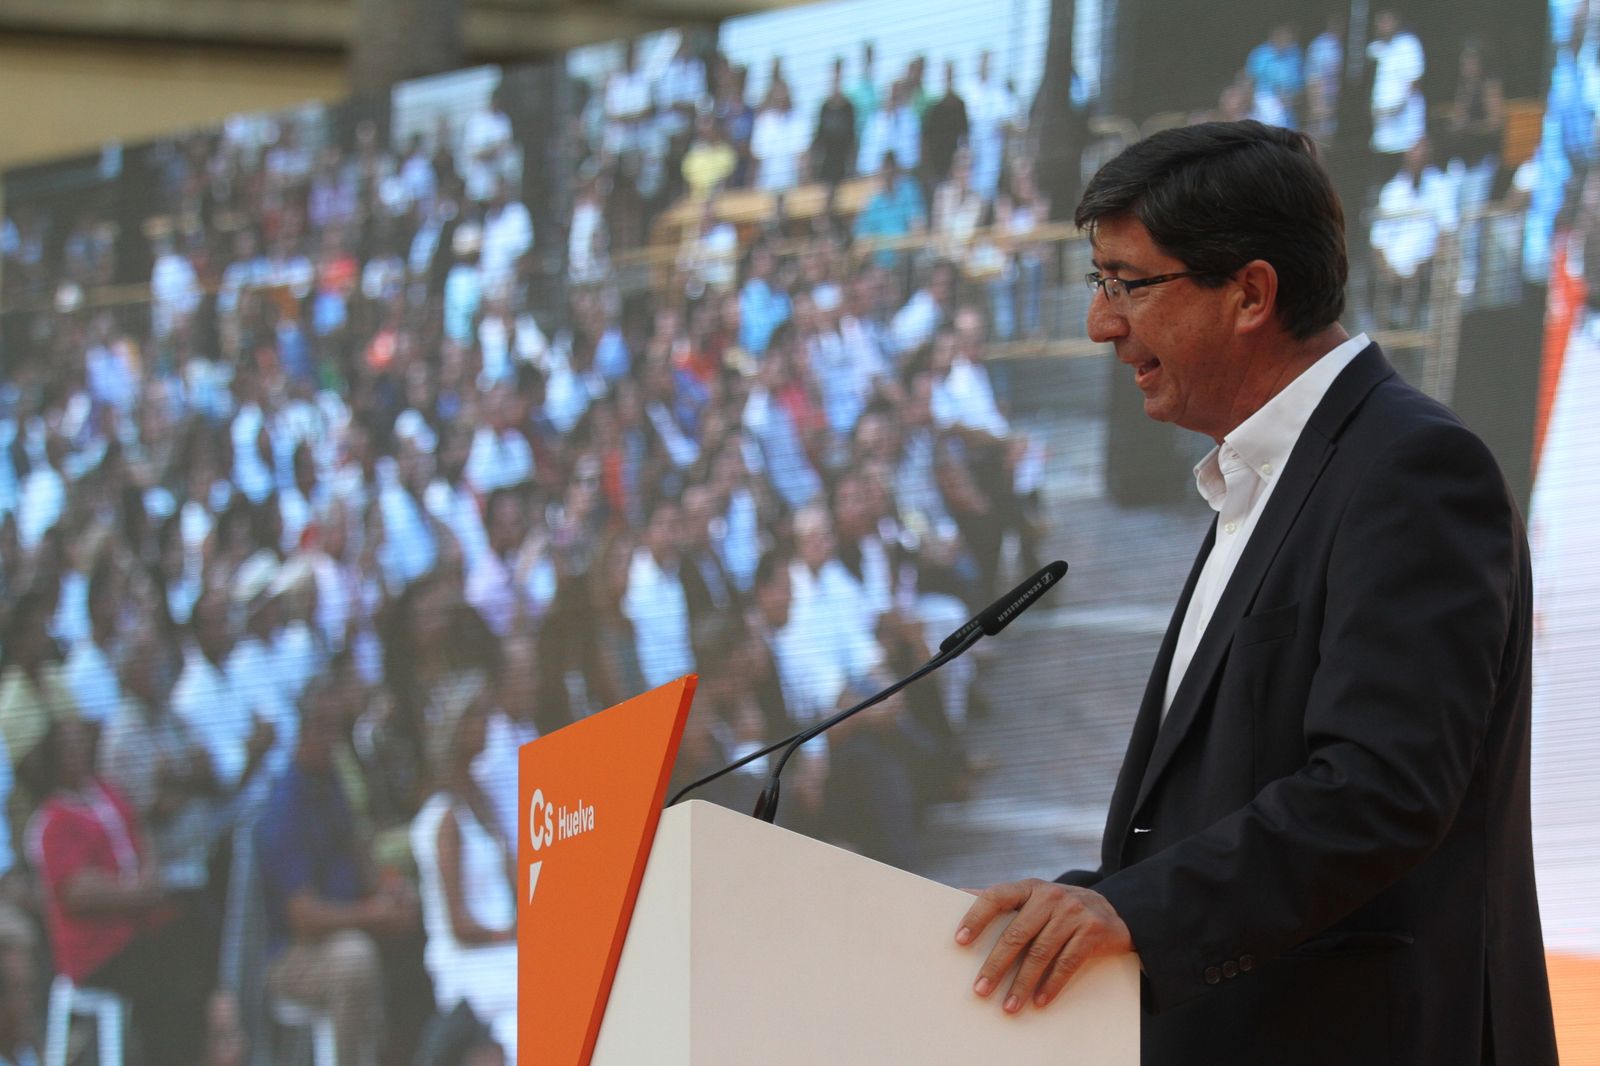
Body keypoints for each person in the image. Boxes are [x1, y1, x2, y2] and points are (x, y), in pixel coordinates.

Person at [955, 121, 1557, 1065]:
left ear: (1250, 293)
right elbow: (1230, 798)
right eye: (1097, 284)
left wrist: (1134, 908)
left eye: (1128, 284)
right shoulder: (1263, 476)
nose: (1100, 324)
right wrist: (1090, 898)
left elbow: (1381, 790)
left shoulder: (1411, 469)